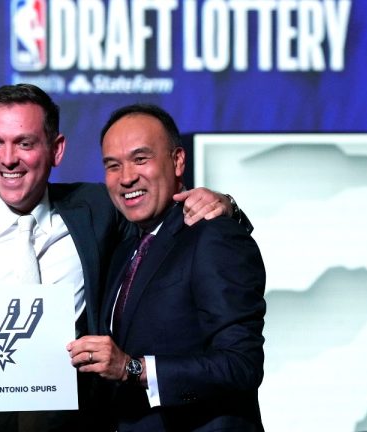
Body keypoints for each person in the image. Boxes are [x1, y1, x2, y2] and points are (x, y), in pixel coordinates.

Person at [0, 84, 248, 432]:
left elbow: (165, 221)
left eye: (25, 143)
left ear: (57, 149)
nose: (7, 158)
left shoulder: (98, 210)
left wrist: (224, 205)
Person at [67, 104, 266, 431]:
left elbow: (241, 366)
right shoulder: (125, 246)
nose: (127, 176)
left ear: (177, 161)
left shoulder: (214, 235)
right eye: (113, 165)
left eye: (140, 159)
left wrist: (133, 369)